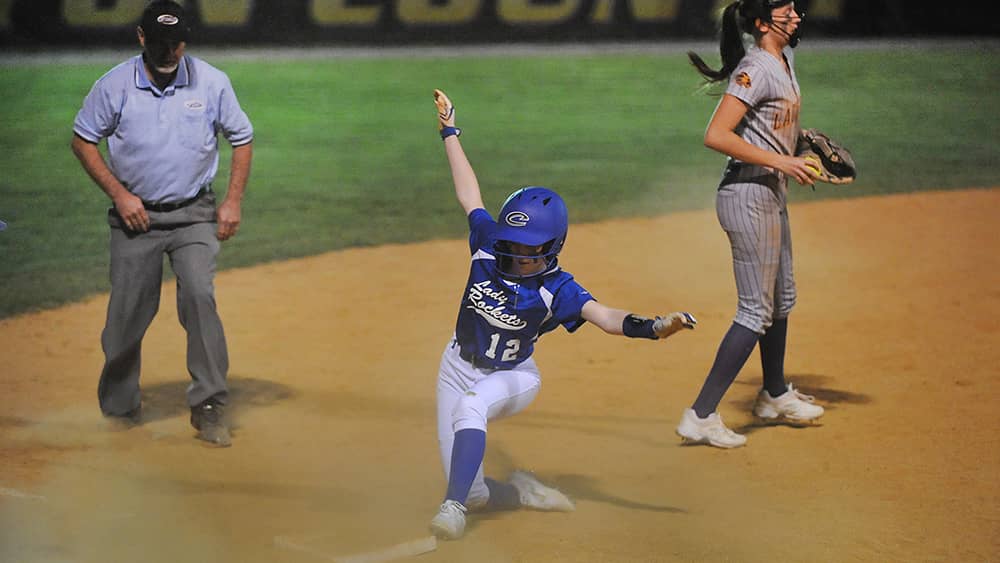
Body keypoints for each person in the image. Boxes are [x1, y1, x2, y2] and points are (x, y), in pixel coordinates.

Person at [428, 89, 698, 540]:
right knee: (474, 491)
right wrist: (449, 132)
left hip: (512, 376)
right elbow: (470, 196)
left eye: (528, 250)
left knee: (472, 408)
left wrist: (652, 327)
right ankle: (518, 493)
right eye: (512, 246)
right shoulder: (487, 247)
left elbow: (606, 317)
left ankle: (451, 508)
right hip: (454, 368)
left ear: (552, 248)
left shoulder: (557, 287)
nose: (517, 255)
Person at [70, 0, 253, 447]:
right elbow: (83, 140)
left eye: (175, 43)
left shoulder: (212, 82)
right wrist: (120, 195)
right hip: (135, 219)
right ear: (141, 38)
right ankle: (119, 406)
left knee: (199, 297)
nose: (168, 52)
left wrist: (232, 201)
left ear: (185, 41)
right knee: (126, 318)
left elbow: (242, 138)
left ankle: (209, 405)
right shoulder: (114, 85)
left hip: (194, 214)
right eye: (159, 43)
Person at [674, 0, 824, 449]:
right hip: (747, 195)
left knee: (782, 298)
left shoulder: (784, 59)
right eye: (785, 12)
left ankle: (773, 394)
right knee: (755, 311)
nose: (795, 17)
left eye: (795, 10)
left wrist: (802, 146)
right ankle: (700, 416)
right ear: (761, 23)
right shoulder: (755, 68)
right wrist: (783, 160)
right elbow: (716, 134)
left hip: (769, 191)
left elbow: (769, 127)